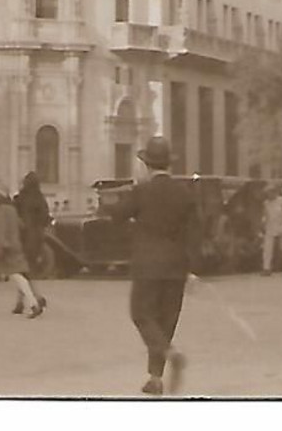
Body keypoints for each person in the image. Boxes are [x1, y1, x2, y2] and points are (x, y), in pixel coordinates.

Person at [106, 136, 196, 396]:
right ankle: (155, 378)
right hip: (176, 266)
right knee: (165, 320)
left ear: (146, 165)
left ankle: (169, 353)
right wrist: (191, 268)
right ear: (169, 164)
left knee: (142, 315)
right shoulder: (184, 194)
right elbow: (194, 233)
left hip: (147, 265)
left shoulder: (142, 191)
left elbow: (116, 215)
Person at [0, 180, 42, 318]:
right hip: (12, 245)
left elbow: (1, 230)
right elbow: (21, 226)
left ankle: (33, 304)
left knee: (14, 276)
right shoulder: (11, 209)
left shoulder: (1, 210)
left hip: (2, 247)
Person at [262, 185, 282, 276]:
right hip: (270, 227)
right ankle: (266, 268)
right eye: (267, 193)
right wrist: (264, 224)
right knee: (267, 248)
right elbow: (266, 215)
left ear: (275, 192)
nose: (269, 195)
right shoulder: (266, 203)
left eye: (271, 192)